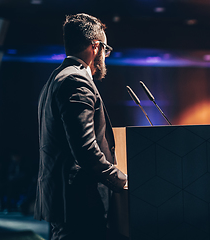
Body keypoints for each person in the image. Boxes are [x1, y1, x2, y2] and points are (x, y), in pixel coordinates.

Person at [36, 13, 127, 240]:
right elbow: (85, 150)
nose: (105, 56)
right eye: (105, 50)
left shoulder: (55, 78)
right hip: (79, 201)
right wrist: (121, 180)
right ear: (95, 46)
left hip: (65, 200)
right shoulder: (76, 81)